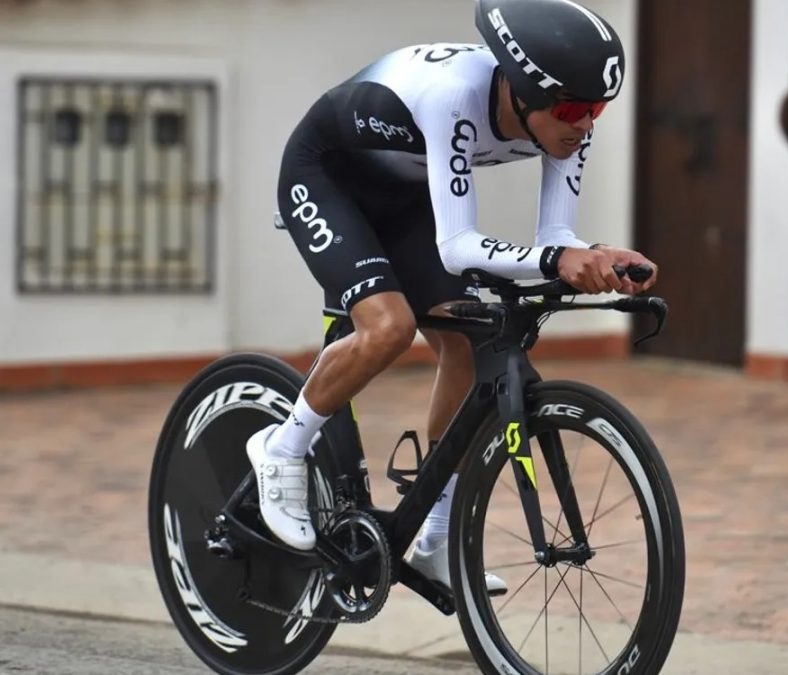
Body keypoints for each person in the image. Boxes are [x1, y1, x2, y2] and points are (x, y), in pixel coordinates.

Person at [245, 0, 658, 595]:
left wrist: (594, 257)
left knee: (467, 339)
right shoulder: (454, 97)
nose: (584, 123)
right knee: (387, 327)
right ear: (521, 92)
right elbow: (459, 245)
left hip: (403, 192)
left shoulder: (568, 127)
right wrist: (557, 262)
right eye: (571, 109)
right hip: (325, 177)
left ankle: (437, 539)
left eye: (597, 110)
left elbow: (556, 238)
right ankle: (282, 447)